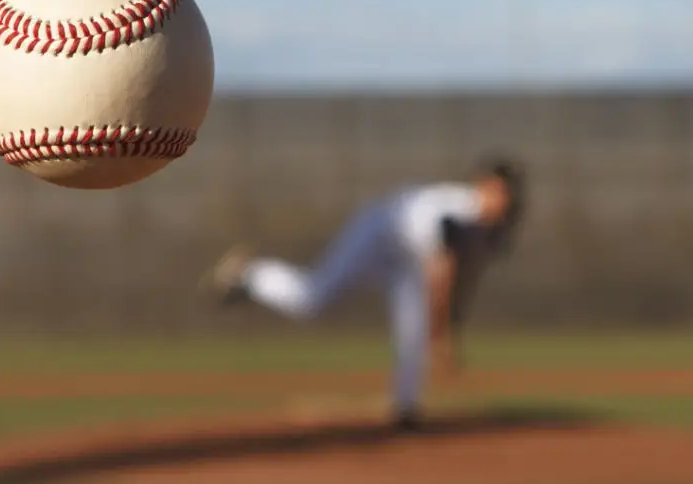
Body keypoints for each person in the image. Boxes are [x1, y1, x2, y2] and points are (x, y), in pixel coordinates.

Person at [206, 159, 527, 429]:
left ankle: (406, 408)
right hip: (381, 231)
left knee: (413, 326)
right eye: (499, 191)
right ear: (483, 185)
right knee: (314, 298)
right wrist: (443, 336)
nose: (504, 201)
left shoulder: (489, 229)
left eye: (509, 195)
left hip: (407, 256)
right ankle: (251, 274)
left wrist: (445, 330)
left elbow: (459, 280)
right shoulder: (457, 215)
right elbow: (441, 278)